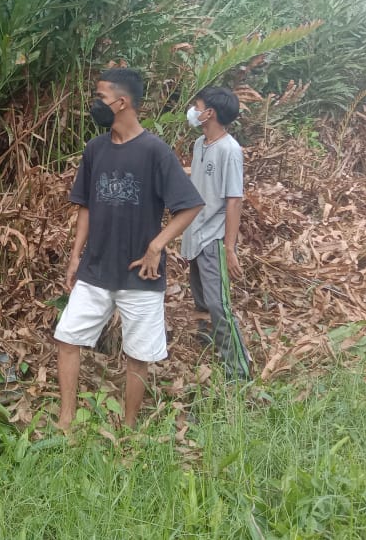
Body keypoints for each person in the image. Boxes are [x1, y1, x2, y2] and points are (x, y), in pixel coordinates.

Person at [55, 68, 203, 430]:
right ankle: (65, 420)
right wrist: (75, 255)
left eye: (100, 97)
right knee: (67, 338)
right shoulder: (95, 149)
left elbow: (190, 206)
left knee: (138, 355)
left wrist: (157, 245)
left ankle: (129, 427)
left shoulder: (155, 151)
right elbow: (85, 206)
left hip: (140, 272)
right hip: (96, 268)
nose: (94, 104)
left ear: (121, 103)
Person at [180, 86, 251, 380]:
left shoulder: (229, 151)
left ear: (209, 113)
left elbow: (234, 200)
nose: (193, 111)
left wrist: (229, 248)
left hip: (213, 237)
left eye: (197, 106)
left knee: (217, 304)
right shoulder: (200, 144)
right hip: (194, 233)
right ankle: (211, 351)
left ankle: (239, 371)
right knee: (201, 300)